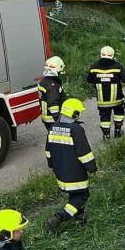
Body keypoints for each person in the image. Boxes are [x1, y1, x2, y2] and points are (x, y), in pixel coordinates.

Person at [45, 98, 97, 233]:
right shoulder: (76, 129)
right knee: (82, 196)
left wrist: (51, 165)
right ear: (75, 114)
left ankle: (80, 218)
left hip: (60, 171)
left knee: (74, 195)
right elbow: (84, 153)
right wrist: (92, 168)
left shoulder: (53, 127)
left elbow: (48, 150)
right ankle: (60, 217)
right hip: (75, 172)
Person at [87, 46, 125, 140]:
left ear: (100, 55)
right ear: (113, 56)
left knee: (104, 117)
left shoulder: (94, 67)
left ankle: (106, 135)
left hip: (102, 100)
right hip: (117, 99)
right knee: (119, 113)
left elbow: (89, 80)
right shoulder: (117, 66)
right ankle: (118, 131)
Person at [38, 56, 66, 132]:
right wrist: (58, 119)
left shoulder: (45, 81)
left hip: (48, 117)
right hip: (52, 118)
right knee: (58, 138)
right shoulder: (52, 85)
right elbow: (52, 102)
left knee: (53, 137)